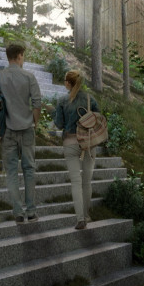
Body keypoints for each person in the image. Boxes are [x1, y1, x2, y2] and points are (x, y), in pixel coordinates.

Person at [0, 42, 41, 223]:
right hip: (27, 129)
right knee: (29, 170)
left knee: (11, 171)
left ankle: (18, 212)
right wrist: (34, 123)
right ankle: (31, 211)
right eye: (23, 56)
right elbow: (37, 104)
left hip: (7, 131)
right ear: (19, 56)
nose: (23, 59)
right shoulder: (29, 77)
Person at [52, 68, 100, 230]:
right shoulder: (90, 99)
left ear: (68, 83)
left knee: (76, 182)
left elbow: (59, 124)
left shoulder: (62, 101)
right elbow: (98, 119)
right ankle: (86, 215)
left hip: (70, 143)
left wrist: (53, 114)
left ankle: (80, 219)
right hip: (89, 144)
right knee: (87, 182)